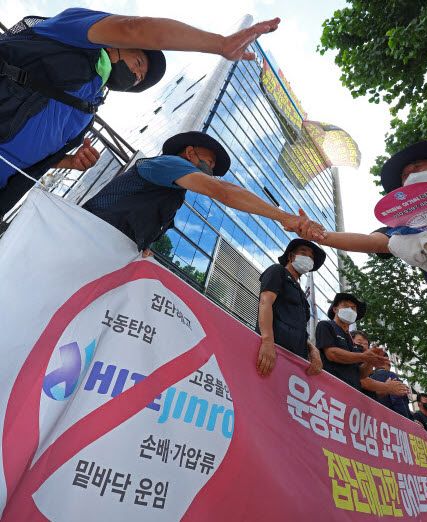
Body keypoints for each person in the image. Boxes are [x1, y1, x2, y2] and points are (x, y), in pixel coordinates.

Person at [0, 7, 281, 217]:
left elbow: (35, 158)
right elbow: (134, 28)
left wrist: (70, 162)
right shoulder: (70, 34)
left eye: (138, 77)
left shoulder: (88, 109)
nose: (135, 74)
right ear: (116, 43)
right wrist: (219, 44)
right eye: (137, 62)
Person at [299, 141, 427, 354]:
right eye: (405, 175)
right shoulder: (407, 226)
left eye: (417, 167)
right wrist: (321, 236)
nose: (410, 176)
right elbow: (371, 241)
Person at [83, 131, 322, 256]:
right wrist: (285, 217)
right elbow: (223, 192)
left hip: (109, 248)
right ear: (189, 153)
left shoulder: (173, 195)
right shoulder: (168, 164)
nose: (211, 170)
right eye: (209, 161)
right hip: (89, 234)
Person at [255, 238, 326, 377]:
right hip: (269, 354)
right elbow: (265, 302)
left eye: (311, 257)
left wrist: (312, 349)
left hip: (294, 361)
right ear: (291, 256)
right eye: (303, 252)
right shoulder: (277, 271)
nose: (308, 258)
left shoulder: (302, 296)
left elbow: (298, 328)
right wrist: (267, 341)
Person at [315, 293, 387, 391]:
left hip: (351, 393)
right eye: (345, 306)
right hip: (329, 387)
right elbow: (332, 354)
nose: (350, 310)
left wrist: (370, 361)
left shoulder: (353, 342)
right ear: (335, 309)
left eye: (353, 308)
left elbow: (361, 374)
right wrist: (363, 356)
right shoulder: (325, 326)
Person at [367, 353, 412, 419]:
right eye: (388, 360)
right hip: (393, 420)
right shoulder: (390, 375)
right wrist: (407, 420)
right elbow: (398, 400)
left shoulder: (368, 378)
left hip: (373, 418)